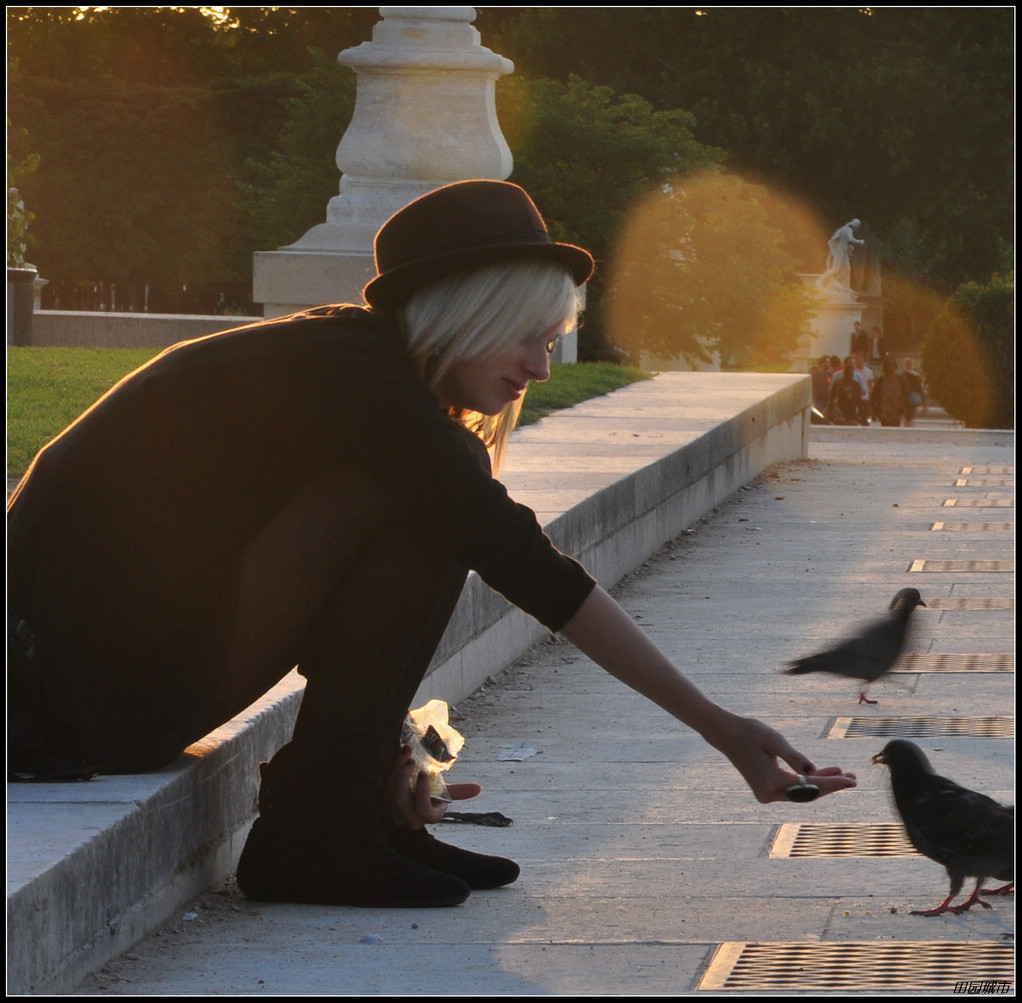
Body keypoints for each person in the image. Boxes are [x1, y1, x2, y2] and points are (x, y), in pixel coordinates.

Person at [7, 180, 856, 910]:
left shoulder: (352, 367)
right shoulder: (355, 377)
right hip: (73, 698)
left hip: (89, 677)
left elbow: (327, 595)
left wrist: (389, 746)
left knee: (437, 490)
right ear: (467, 312)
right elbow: (533, 569)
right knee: (439, 499)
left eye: (553, 341)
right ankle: (320, 826)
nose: (542, 368)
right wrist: (719, 728)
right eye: (530, 335)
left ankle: (344, 808)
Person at [871, 355, 909, 427]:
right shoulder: (881, 380)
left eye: (892, 365)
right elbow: (874, 397)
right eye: (888, 365)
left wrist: (903, 411)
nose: (891, 367)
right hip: (884, 412)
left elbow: (906, 396)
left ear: (895, 366)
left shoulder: (900, 380)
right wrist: (876, 412)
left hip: (896, 412)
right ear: (885, 367)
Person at [827, 356, 864, 426]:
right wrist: (830, 414)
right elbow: (831, 399)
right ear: (844, 372)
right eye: (848, 372)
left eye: (851, 373)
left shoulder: (856, 385)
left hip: (852, 414)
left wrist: (861, 415)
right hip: (840, 414)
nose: (850, 374)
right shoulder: (838, 383)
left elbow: (859, 401)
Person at [901, 359, 925, 426]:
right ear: (912, 365)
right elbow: (919, 389)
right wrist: (924, 401)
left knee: (906, 415)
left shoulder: (902, 376)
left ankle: (907, 424)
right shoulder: (916, 376)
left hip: (904, 398)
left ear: (904, 365)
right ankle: (909, 425)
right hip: (913, 397)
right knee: (911, 414)